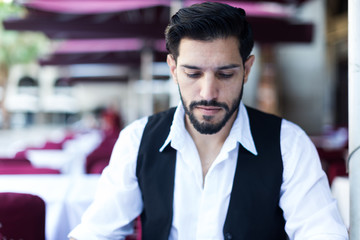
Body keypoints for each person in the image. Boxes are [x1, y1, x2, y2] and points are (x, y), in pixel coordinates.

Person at [68, 2, 348, 240]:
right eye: (193, 74)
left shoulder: (289, 144)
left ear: (247, 70)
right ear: (174, 70)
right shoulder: (136, 140)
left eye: (225, 74)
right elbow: (96, 232)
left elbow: (321, 232)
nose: (208, 93)